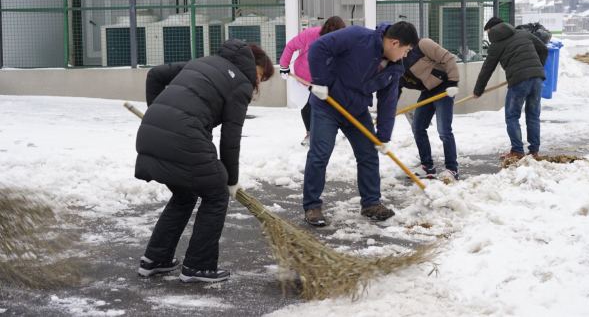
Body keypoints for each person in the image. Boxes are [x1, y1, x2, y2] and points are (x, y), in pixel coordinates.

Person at [134, 40, 274, 283]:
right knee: (216, 194)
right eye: (260, 75)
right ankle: (198, 266)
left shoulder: (202, 62)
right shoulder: (240, 82)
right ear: (253, 64)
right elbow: (231, 138)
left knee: (184, 195)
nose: (258, 82)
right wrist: (230, 180)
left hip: (151, 131)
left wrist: (157, 111)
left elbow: (155, 75)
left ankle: (155, 260)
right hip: (182, 137)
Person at [302, 21, 419, 227]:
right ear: (394, 43)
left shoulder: (395, 68)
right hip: (327, 104)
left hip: (356, 110)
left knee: (368, 154)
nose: (406, 56)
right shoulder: (357, 37)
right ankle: (312, 206)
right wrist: (320, 81)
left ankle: (371, 203)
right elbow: (318, 48)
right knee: (320, 154)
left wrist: (383, 136)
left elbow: (388, 102)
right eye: (406, 50)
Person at [473, 17, 548, 159]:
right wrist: (537, 68)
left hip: (519, 81)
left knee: (512, 116)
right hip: (537, 78)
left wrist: (478, 90)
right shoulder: (524, 34)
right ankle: (534, 151)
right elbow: (543, 49)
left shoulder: (496, 45)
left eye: (488, 31)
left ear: (492, 29)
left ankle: (517, 151)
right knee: (533, 115)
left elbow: (487, 69)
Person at [278, 16, 346, 146]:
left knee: (327, 107)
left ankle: (331, 132)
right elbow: (291, 46)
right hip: (303, 77)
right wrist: (284, 66)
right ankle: (310, 133)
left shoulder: (342, 42)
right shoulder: (310, 35)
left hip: (325, 79)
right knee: (307, 105)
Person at [400, 38, 460, 180]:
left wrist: (453, 83)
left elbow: (449, 58)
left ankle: (452, 169)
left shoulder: (423, 45)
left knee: (444, 130)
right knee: (418, 127)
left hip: (444, 88)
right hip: (427, 91)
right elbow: (395, 88)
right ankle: (427, 167)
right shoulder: (395, 60)